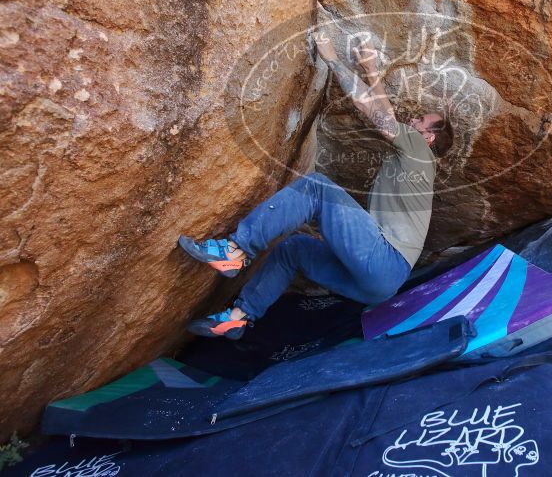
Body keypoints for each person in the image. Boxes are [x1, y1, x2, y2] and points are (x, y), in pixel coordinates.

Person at [177, 32, 454, 339]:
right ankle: (239, 318)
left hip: (384, 261)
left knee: (317, 187)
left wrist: (332, 58)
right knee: (293, 249)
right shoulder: (415, 161)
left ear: (428, 138)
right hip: (378, 284)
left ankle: (234, 249)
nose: (413, 120)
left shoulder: (420, 150)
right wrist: (370, 69)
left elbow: (381, 118)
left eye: (420, 120)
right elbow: (383, 111)